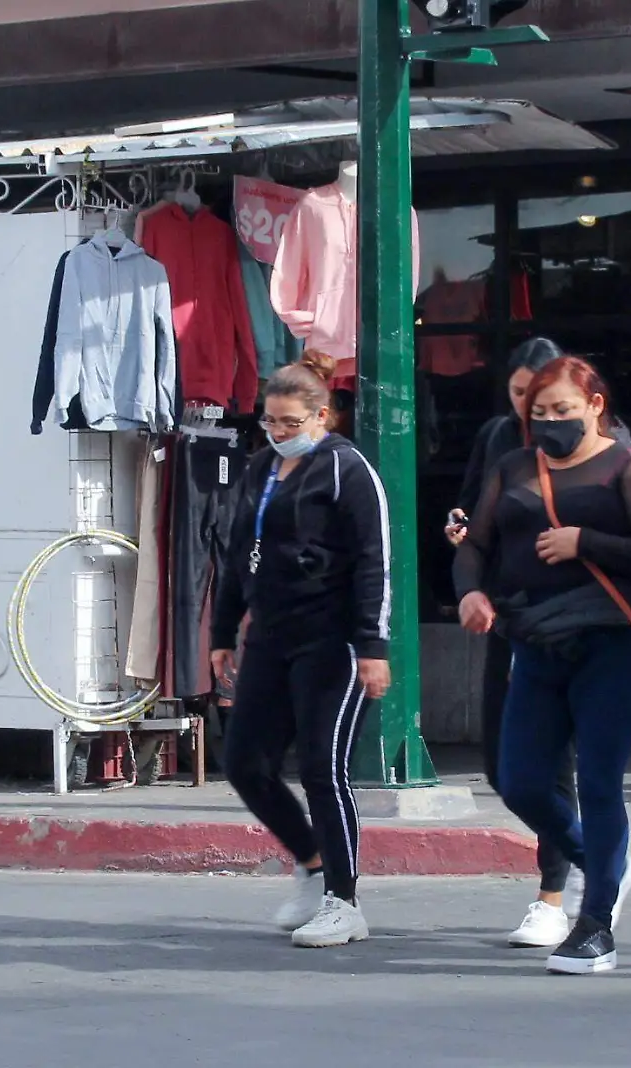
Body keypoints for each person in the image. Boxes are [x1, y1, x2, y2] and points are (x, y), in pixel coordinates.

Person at [453, 355, 631, 975]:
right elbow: (477, 544)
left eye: (563, 411)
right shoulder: (514, 466)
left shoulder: (629, 468)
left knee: (600, 783)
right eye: (539, 413)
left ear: (596, 406)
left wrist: (585, 542)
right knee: (519, 780)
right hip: (535, 642)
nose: (550, 423)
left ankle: (595, 925)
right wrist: (471, 591)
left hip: (609, 645)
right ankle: (605, 863)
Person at [209, 351, 394, 947]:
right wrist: (222, 631)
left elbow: (373, 562)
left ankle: (345, 900)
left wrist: (372, 645)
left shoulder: (347, 469)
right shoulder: (261, 468)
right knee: (244, 762)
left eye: (292, 423)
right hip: (269, 635)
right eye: (271, 421)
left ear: (323, 417)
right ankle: (312, 865)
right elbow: (239, 551)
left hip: (331, 640)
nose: (280, 433)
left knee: (322, 766)